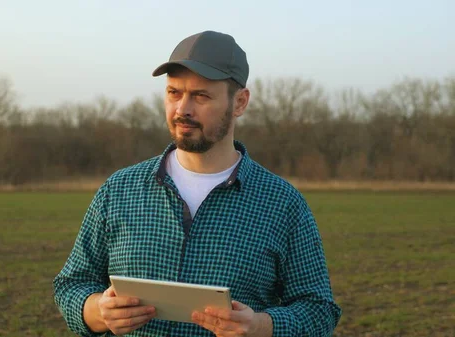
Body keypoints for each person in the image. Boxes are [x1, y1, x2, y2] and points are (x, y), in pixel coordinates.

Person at [53, 30, 342, 337]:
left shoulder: (283, 204)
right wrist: (97, 311)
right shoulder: (119, 190)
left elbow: (319, 311)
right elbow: (72, 284)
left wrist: (261, 327)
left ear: (240, 102)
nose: (182, 109)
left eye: (201, 96)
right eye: (174, 93)